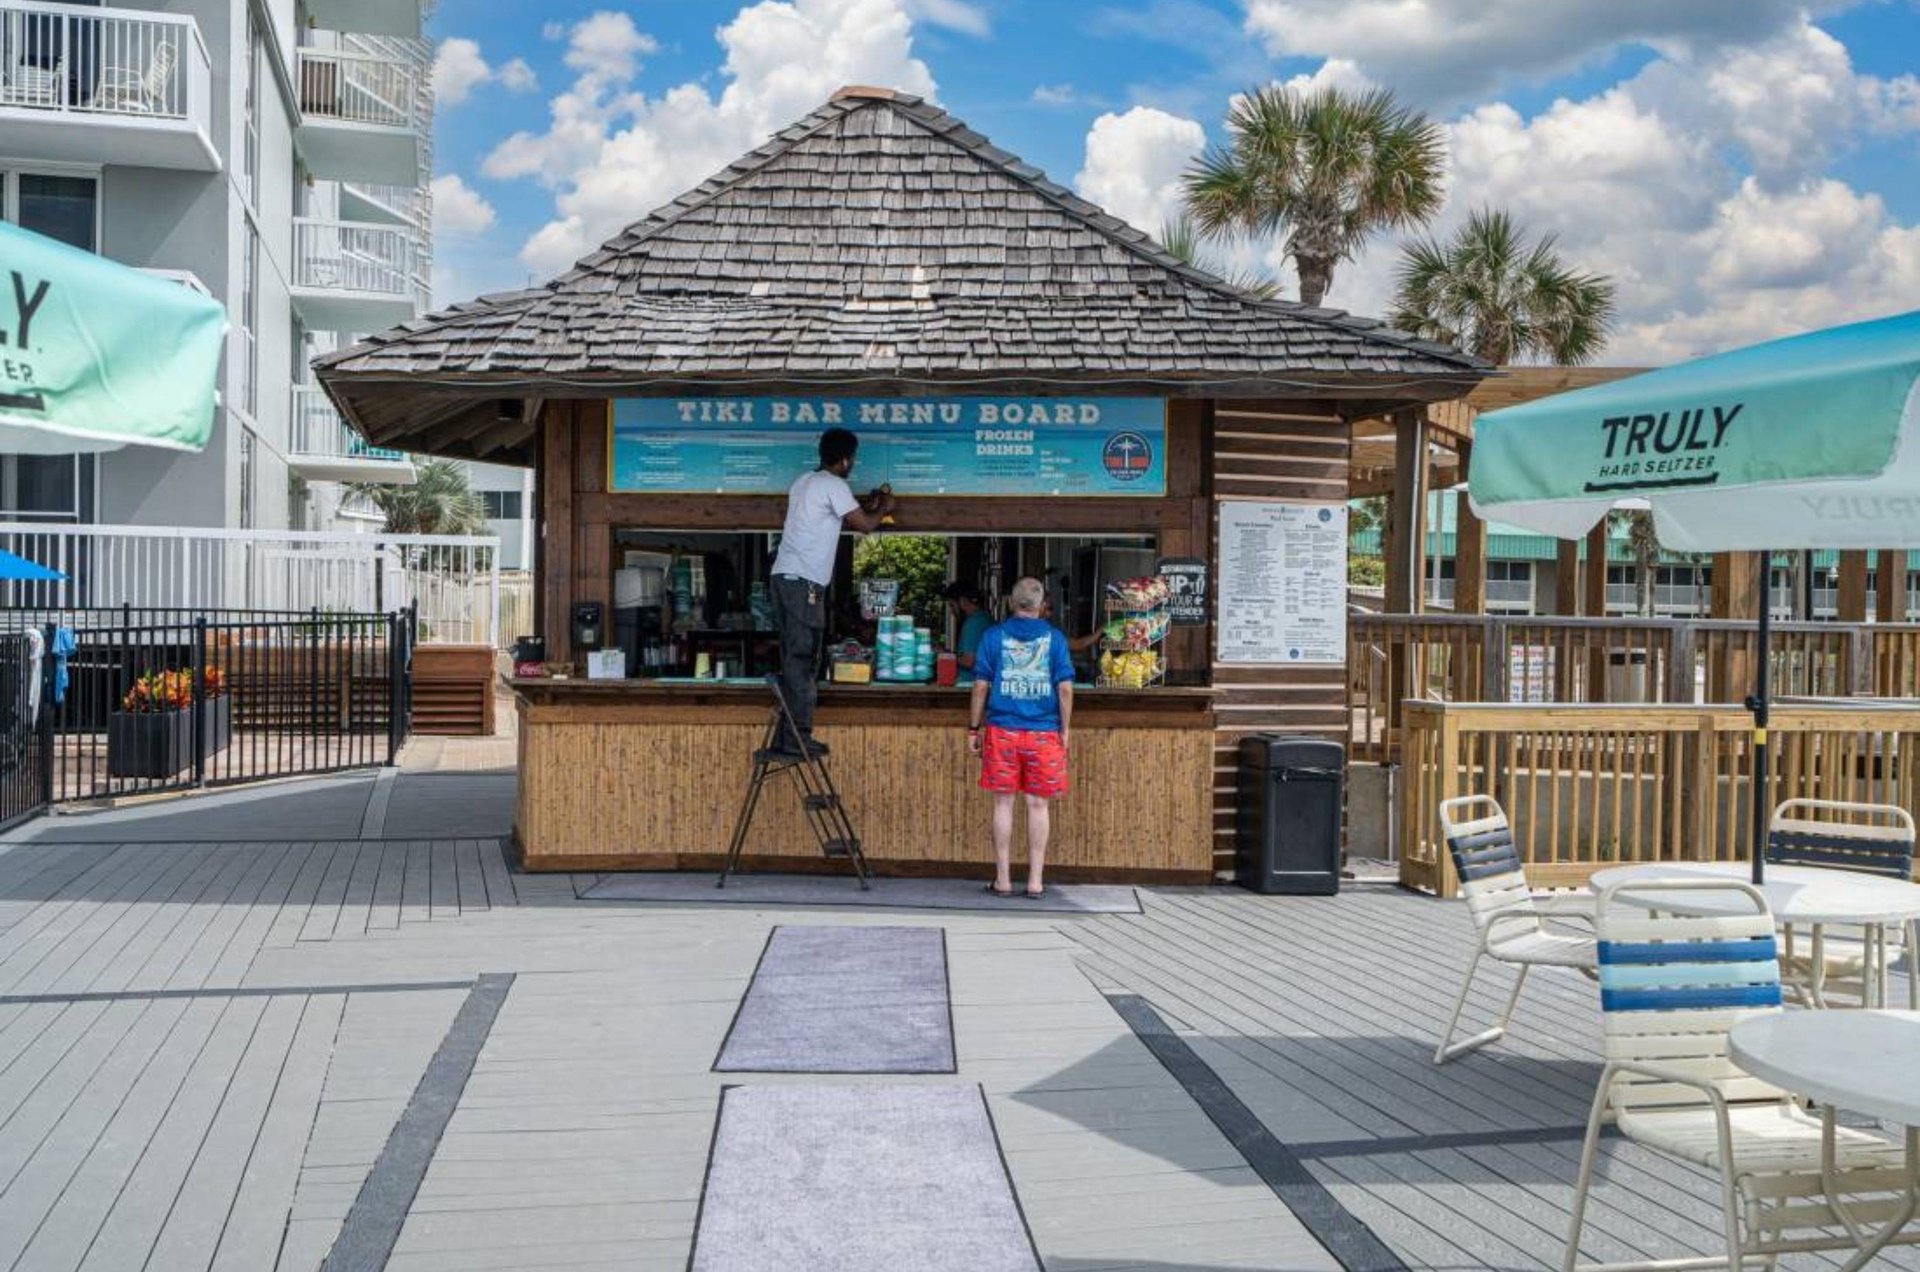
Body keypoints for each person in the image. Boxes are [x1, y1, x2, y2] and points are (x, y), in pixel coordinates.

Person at [769, 428, 895, 755]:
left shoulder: (804, 482)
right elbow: (865, 526)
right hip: (804, 583)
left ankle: (788, 736)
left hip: (785, 578)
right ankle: (798, 738)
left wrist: (869, 505)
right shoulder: (833, 485)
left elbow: (845, 514)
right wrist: (885, 508)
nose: (852, 464)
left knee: (793, 658)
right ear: (844, 460)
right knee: (803, 658)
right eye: (852, 459)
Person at [968, 576, 1073, 898]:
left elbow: (981, 686)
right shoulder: (1055, 640)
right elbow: (1065, 689)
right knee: (1037, 804)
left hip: (1002, 731)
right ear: (1042, 606)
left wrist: (973, 728)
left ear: (1012, 603)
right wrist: (1065, 730)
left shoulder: (993, 636)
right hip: (1043, 733)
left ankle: (1002, 880)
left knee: (1003, 802)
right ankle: (1035, 882)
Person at [943, 581, 991, 685]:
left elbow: (968, 661)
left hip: (969, 686)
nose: (952, 611)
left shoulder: (973, 623)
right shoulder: (985, 618)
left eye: (952, 605)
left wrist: (944, 655)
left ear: (962, 601)